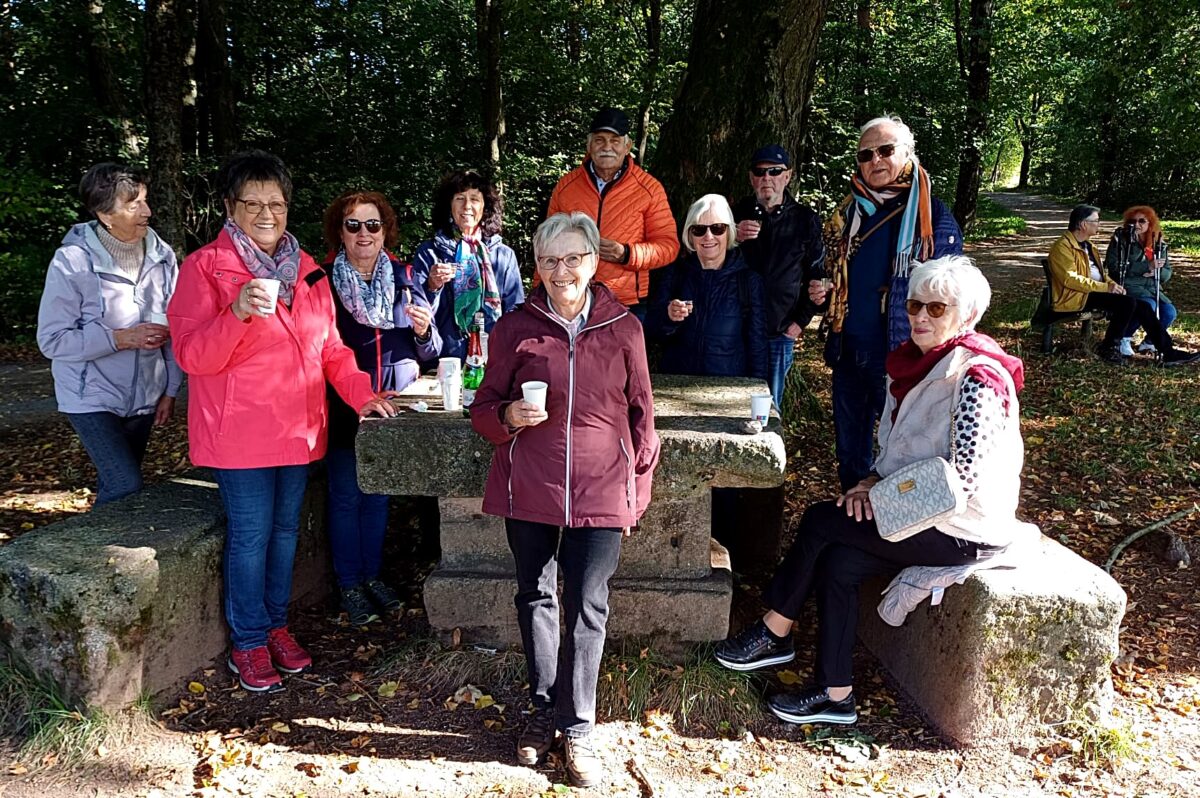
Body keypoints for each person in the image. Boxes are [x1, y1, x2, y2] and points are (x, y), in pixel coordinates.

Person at [714, 256, 1022, 726]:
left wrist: (881, 500)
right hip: (926, 509)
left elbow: (964, 475)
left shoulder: (976, 377)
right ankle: (837, 696)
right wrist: (872, 483)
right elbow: (906, 449)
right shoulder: (920, 364)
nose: (920, 316)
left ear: (966, 316)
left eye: (936, 309)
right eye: (916, 304)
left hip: (962, 526)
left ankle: (774, 631)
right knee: (839, 561)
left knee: (821, 521)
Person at [169, 151, 397, 693]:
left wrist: (363, 396)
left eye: (276, 202)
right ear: (230, 206)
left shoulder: (309, 271)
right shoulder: (205, 267)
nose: (267, 212)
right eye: (253, 202)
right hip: (238, 434)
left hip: (298, 430)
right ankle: (247, 642)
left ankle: (275, 626)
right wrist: (238, 313)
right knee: (250, 537)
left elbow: (333, 350)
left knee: (285, 533)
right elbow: (190, 355)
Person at [470, 212, 660, 788]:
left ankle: (577, 727)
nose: (562, 271)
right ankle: (540, 707)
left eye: (573, 258)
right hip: (530, 485)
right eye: (550, 260)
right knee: (535, 595)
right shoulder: (515, 328)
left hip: (603, 487)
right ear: (537, 265)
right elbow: (482, 409)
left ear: (593, 260)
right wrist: (506, 416)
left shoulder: (625, 327)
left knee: (588, 605)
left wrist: (636, 494)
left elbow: (643, 418)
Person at [813, 115, 964, 491]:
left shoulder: (932, 217)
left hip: (899, 355)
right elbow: (840, 271)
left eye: (885, 150)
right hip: (849, 350)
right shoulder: (851, 212)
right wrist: (827, 291)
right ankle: (854, 519)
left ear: (908, 154)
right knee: (850, 452)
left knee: (900, 450)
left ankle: (897, 532)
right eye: (866, 154)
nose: (875, 161)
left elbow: (945, 298)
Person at [321, 190, 441, 625]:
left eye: (372, 225)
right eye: (353, 225)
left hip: (394, 406)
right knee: (346, 497)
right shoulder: (324, 282)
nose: (364, 234)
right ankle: (350, 584)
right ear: (340, 232)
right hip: (342, 404)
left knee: (377, 498)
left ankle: (372, 578)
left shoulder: (406, 276)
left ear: (385, 230)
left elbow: (432, 351)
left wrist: (425, 332)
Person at [36, 163, 182, 507]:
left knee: (117, 487)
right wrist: (121, 338)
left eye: (145, 200)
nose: (147, 211)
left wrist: (171, 390)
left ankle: (104, 555)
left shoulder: (163, 258)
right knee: (125, 482)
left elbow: (176, 328)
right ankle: (101, 558)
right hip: (89, 396)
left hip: (146, 399)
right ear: (105, 214)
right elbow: (52, 340)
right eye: (133, 205)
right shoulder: (71, 261)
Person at [544, 107, 678, 320]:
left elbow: (669, 246)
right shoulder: (566, 187)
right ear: (589, 145)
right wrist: (539, 294)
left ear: (627, 146)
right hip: (571, 298)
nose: (607, 147)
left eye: (615, 141)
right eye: (599, 140)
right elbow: (546, 245)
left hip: (626, 303)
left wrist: (626, 254)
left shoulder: (649, 189)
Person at [732, 144, 825, 410]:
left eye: (775, 171)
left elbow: (818, 276)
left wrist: (799, 323)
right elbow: (709, 257)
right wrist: (731, 237)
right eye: (760, 172)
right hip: (736, 330)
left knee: (768, 409)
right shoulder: (734, 214)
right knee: (730, 402)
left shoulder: (805, 220)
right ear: (751, 178)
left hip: (779, 331)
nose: (766, 178)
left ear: (788, 176)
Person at [1048, 205, 1196, 366]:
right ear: (1083, 224)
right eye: (1096, 221)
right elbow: (1070, 280)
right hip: (1076, 295)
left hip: (1091, 292)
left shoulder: (1089, 246)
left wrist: (1113, 285)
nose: (1099, 224)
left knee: (1143, 307)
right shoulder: (1063, 247)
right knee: (1128, 303)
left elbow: (1102, 275)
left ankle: (1168, 352)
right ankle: (1109, 347)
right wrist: (1106, 288)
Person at [646, 193, 767, 380]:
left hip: (728, 389)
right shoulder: (676, 274)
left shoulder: (748, 281)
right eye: (699, 229)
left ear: (729, 232)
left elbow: (757, 345)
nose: (708, 236)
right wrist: (668, 316)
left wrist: (759, 394)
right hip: (678, 387)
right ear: (689, 235)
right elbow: (651, 331)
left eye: (717, 228)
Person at [411, 170, 523, 363]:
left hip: (493, 361)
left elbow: (516, 312)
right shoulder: (428, 253)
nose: (467, 206)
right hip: (443, 362)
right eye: (459, 198)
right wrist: (432, 287)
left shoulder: (503, 255)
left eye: (475, 199)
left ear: (485, 206)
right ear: (449, 205)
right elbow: (416, 315)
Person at [1103, 206, 1177, 356]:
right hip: (1128, 285)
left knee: (1169, 312)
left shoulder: (1157, 242)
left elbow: (1166, 272)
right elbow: (1113, 268)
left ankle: (1149, 342)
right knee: (1147, 305)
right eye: (1132, 221)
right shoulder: (1121, 241)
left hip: (1151, 288)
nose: (1136, 225)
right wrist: (1144, 267)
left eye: (1142, 221)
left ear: (1150, 223)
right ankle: (1124, 337)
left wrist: (1157, 271)